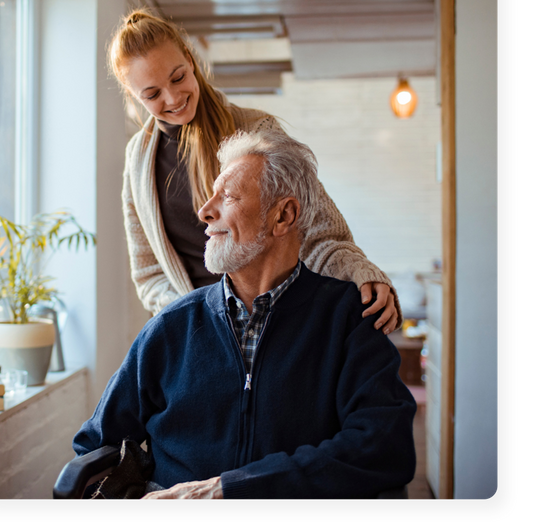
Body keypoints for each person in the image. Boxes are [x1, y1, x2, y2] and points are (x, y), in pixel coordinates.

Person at [72, 129, 417, 500]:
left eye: (229, 196)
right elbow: (94, 445)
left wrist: (227, 489)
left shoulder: (348, 320)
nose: (205, 211)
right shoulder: (171, 326)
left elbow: (384, 446)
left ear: (283, 216)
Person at [111, 8, 401, 333]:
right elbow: (148, 273)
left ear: (191, 60)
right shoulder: (138, 160)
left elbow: (318, 231)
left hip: (277, 326)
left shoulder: (256, 131)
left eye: (178, 77)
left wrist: (359, 271)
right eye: (151, 94)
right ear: (134, 96)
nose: (173, 97)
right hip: (198, 335)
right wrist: (193, 318)